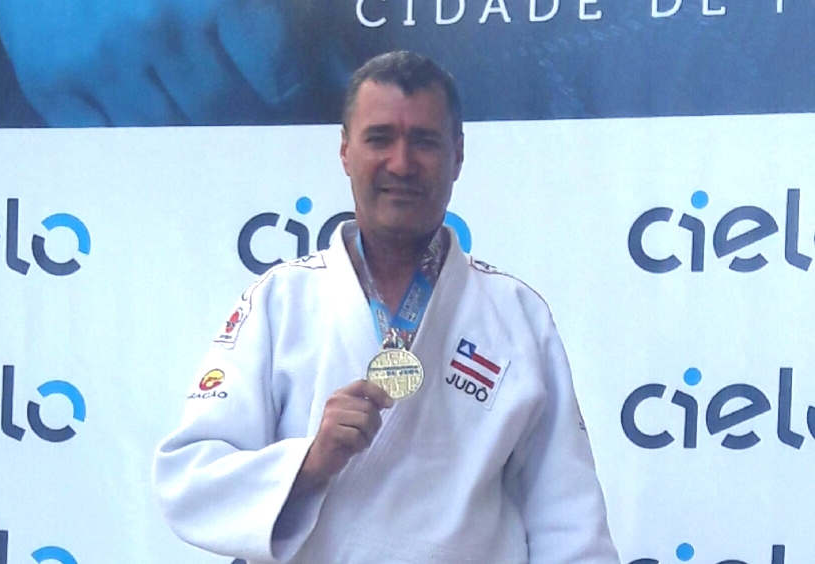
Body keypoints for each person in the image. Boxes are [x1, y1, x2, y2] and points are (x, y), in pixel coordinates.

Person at [153, 51, 620, 564]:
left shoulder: (516, 316)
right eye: (379, 139)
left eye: (425, 141)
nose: (401, 163)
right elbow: (190, 480)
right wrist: (308, 462)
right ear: (345, 151)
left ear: (457, 155)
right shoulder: (280, 301)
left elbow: (570, 520)